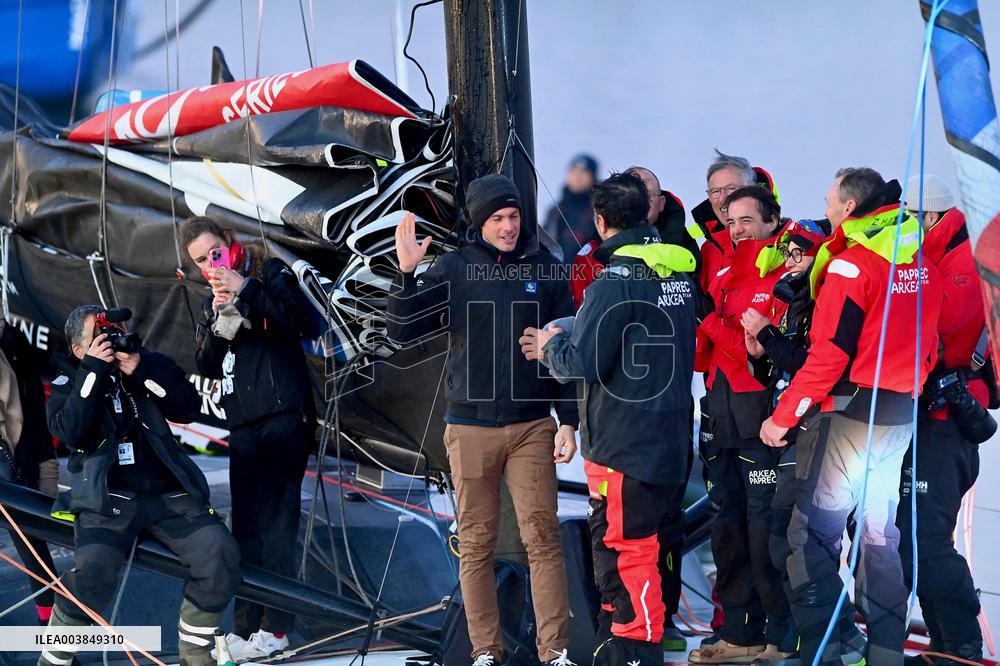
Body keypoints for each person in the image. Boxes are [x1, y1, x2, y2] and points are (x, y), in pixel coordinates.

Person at [388, 174, 579, 666]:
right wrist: (407, 274)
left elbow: (562, 353)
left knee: (543, 537)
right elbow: (403, 330)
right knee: (475, 543)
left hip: (532, 424)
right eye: (498, 218)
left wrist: (568, 421)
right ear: (480, 222)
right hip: (469, 427)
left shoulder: (547, 268)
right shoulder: (453, 267)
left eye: (514, 216)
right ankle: (484, 652)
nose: (509, 226)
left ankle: (555, 652)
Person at [760, 168, 944, 665]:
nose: (825, 206)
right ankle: (886, 653)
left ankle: (823, 652)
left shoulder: (850, 267)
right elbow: (931, 340)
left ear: (847, 206)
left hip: (849, 416)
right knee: (880, 536)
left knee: (811, 537)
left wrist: (782, 416)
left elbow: (828, 355)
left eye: (828, 198)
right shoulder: (920, 259)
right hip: (899, 415)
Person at [523, 171, 698, 666]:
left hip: (624, 443)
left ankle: (635, 648)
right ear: (648, 214)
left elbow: (582, 364)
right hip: (669, 438)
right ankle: (618, 640)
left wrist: (550, 345)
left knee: (627, 550)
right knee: (641, 546)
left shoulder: (612, 284)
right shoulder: (679, 273)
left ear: (600, 222)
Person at [39, 305, 241, 666]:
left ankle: (195, 653)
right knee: (91, 570)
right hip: (108, 499)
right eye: (100, 337)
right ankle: (54, 660)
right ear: (78, 350)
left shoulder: (146, 362)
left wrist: (140, 371)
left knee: (219, 552)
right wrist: (94, 372)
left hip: (168, 494)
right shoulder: (69, 380)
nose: (111, 341)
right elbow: (70, 430)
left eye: (112, 333)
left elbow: (188, 407)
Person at [182, 217, 316, 659]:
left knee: (277, 524)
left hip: (283, 414)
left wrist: (244, 287)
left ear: (228, 242)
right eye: (200, 261)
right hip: (242, 423)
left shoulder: (269, 271)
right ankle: (245, 628)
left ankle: (276, 629)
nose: (209, 264)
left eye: (213, 253)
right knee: (245, 529)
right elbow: (205, 364)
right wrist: (222, 315)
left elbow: (295, 320)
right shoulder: (214, 296)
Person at [689, 186, 794, 664]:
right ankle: (739, 632)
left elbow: (756, 351)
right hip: (720, 415)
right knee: (727, 529)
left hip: (762, 420)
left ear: (772, 219)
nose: (737, 230)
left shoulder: (783, 269)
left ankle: (781, 634)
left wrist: (710, 320)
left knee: (766, 533)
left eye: (746, 219)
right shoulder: (724, 267)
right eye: (730, 221)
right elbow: (709, 353)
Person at [896, 174, 992, 664]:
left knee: (926, 537)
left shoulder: (960, 267)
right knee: (908, 534)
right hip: (925, 414)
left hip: (947, 418)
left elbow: (939, 324)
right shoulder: (936, 258)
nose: (899, 227)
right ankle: (944, 642)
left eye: (906, 217)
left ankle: (963, 645)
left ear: (928, 217)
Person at [0, 320, 60, 626]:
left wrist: (48, 473)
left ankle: (56, 646)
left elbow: (36, 410)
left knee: (36, 555)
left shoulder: (13, 340)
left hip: (15, 463)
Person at [542, 153, 599, 264]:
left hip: (587, 273)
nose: (578, 177)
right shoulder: (554, 211)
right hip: (556, 272)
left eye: (584, 173)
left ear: (593, 177)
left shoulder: (598, 209)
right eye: (574, 172)